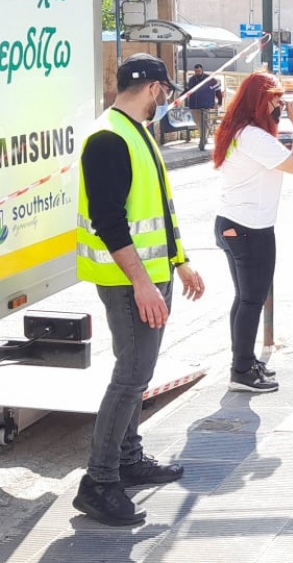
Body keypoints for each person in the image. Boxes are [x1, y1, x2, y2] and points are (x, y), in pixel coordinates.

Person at [74, 52, 206, 526]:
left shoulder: (133, 132)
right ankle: (99, 482)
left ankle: (127, 459)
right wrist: (143, 283)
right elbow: (111, 222)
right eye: (164, 91)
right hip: (130, 283)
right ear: (153, 88)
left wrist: (181, 262)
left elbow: (157, 213)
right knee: (130, 378)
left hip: (148, 278)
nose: (165, 99)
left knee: (138, 375)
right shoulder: (109, 138)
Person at [212, 72, 293, 392]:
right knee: (252, 300)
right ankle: (241, 371)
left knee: (245, 298)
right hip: (250, 229)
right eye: (274, 99)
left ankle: (245, 361)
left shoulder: (239, 131)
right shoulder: (253, 136)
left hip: (233, 224)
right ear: (258, 100)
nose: (279, 105)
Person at [185, 64, 224, 151]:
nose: (197, 72)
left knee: (204, 123)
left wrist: (219, 102)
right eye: (196, 71)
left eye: (199, 71)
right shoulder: (192, 80)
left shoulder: (210, 79)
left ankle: (202, 140)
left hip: (206, 106)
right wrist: (180, 98)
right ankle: (204, 138)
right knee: (198, 123)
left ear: (202, 70)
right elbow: (187, 91)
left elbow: (218, 91)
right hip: (194, 105)